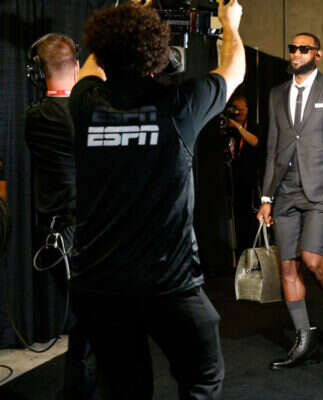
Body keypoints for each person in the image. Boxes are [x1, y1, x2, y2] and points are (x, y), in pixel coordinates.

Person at [67, 0, 245, 398]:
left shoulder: (86, 102)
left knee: (125, 389)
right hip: (169, 285)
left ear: (103, 51)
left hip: (101, 285)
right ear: (158, 53)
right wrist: (229, 23)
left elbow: (90, 68)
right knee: (202, 380)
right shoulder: (180, 104)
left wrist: (125, 10)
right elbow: (234, 71)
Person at [257, 32, 323, 369]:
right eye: (293, 48)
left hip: (322, 190)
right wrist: (266, 197)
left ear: (318, 54)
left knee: (313, 259)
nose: (296, 53)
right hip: (285, 191)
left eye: (304, 49)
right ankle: (304, 339)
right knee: (288, 265)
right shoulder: (276, 94)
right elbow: (272, 149)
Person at [24, 33, 98, 400]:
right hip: (82, 235)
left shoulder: (35, 115)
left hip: (53, 239)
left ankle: (74, 391)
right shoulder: (85, 113)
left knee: (87, 321)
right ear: (76, 65)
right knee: (96, 321)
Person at [225, 94, 261, 254]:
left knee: (249, 215)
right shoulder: (228, 127)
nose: (238, 111)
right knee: (235, 215)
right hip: (231, 177)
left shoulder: (252, 126)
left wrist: (238, 127)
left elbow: (255, 141)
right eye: (235, 108)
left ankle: (251, 249)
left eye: (241, 108)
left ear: (247, 109)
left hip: (249, 178)